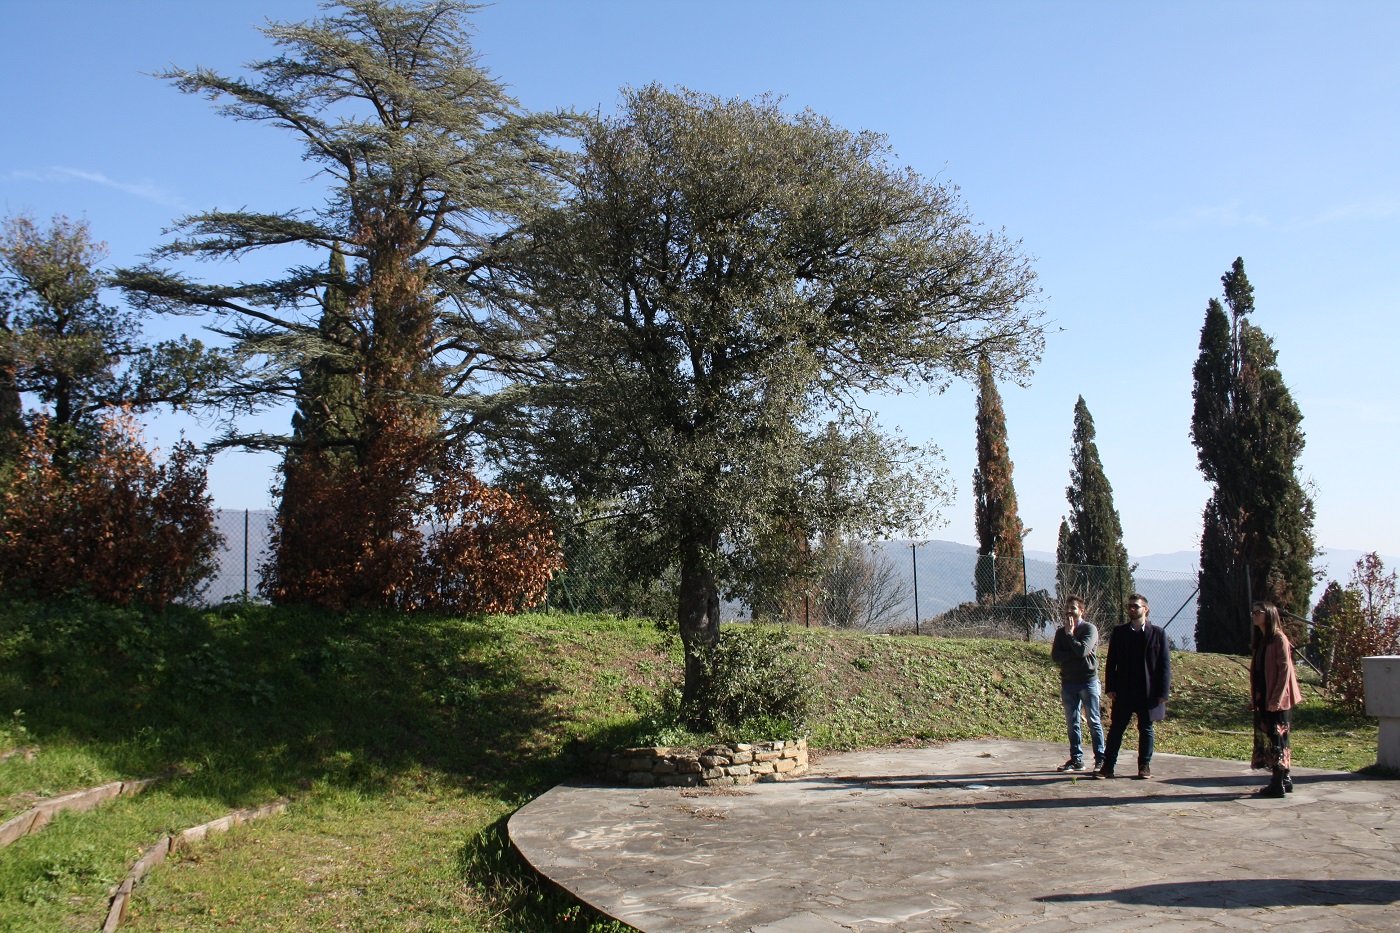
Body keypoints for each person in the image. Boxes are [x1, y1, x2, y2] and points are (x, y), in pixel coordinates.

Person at [1095, 593, 1170, 780]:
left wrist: (1163, 692)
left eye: (1135, 606)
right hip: (1124, 690)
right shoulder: (1119, 632)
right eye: (1129, 606)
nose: (1131, 609)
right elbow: (1111, 662)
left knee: (1146, 729)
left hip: (1148, 691)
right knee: (1117, 729)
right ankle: (1108, 766)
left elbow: (1164, 665)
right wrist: (1110, 687)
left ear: (1146, 609)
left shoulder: (1158, 633)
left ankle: (1144, 766)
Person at [1250, 601, 1303, 797]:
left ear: (1269, 615)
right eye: (1253, 612)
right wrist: (1255, 698)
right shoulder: (1263, 640)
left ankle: (1277, 783)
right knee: (1273, 737)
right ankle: (1285, 778)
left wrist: (1276, 699)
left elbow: (1284, 672)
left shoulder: (1279, 639)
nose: (1254, 615)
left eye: (1258, 612)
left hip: (1278, 699)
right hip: (1264, 696)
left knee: (1278, 739)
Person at [1050, 594, 1104, 772]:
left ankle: (1101, 760)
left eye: (1073, 608)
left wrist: (1071, 636)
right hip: (1068, 683)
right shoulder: (1060, 632)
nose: (1069, 611)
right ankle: (1076, 759)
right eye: (1067, 608)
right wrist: (1073, 651)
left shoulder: (1090, 629)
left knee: (1093, 721)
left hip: (1088, 682)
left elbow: (1082, 651)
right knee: (1072, 722)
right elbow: (1055, 656)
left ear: (1081, 611)